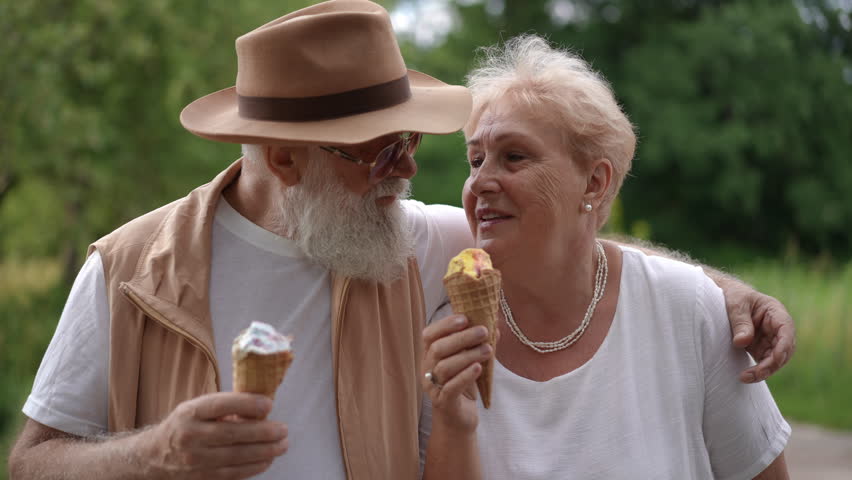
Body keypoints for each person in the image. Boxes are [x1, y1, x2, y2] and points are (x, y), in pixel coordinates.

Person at [9, 3, 792, 480]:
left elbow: (567, 243)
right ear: (283, 159)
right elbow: (31, 464)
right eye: (380, 152)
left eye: (412, 143)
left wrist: (722, 290)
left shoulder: (397, 236)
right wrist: (153, 457)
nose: (409, 171)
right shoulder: (133, 272)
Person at [422, 35, 791, 479]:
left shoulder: (688, 310)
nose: (480, 181)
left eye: (513, 156)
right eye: (475, 159)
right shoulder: (444, 340)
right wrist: (452, 422)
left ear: (594, 183)